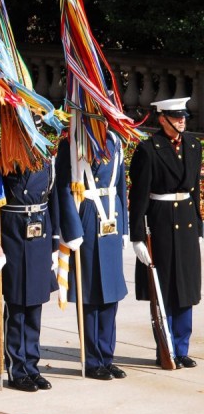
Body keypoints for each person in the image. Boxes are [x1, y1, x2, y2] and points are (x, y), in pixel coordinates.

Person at [129, 97, 201, 369]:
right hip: (161, 223)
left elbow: (193, 188)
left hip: (186, 223)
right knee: (165, 289)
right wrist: (137, 236)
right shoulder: (148, 150)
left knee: (187, 289)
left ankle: (181, 348)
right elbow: (138, 196)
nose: (182, 119)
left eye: (184, 115)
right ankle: (166, 348)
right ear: (162, 118)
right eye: (176, 116)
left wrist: (199, 225)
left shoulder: (193, 145)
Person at [56, 131, 129, 380]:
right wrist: (72, 229)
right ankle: (92, 359)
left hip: (111, 217)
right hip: (86, 217)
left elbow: (121, 186)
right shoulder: (72, 143)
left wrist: (124, 229)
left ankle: (107, 356)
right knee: (89, 293)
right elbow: (63, 187)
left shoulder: (114, 141)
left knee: (111, 293)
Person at [0, 160, 59, 392]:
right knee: (16, 306)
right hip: (13, 233)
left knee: (35, 305)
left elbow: (53, 199)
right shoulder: (5, 160)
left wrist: (55, 239)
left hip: (39, 233)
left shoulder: (46, 162)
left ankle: (32, 366)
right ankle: (17, 368)